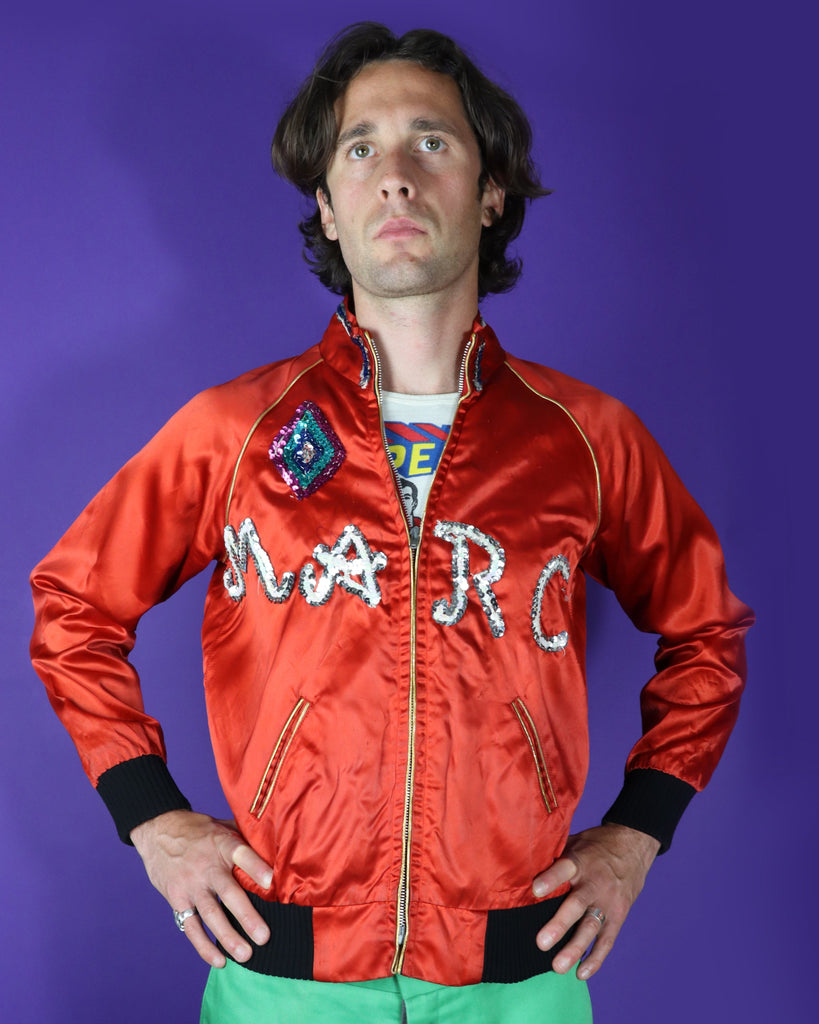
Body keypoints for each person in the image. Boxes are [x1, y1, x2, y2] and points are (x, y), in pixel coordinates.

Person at [29, 22, 753, 1024]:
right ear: (327, 207)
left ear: (490, 190)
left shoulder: (587, 438)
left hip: (519, 978)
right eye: (360, 148)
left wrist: (637, 835)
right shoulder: (234, 432)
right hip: (282, 977)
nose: (397, 177)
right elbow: (72, 606)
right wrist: (153, 821)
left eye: (432, 141)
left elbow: (707, 633)